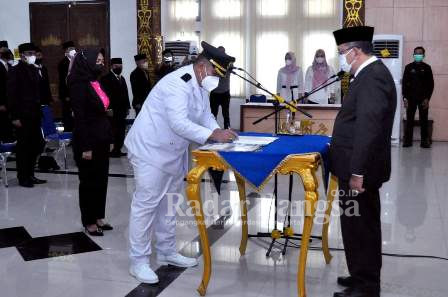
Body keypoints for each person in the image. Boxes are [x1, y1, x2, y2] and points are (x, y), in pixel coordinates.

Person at [125, 41, 237, 284]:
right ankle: (138, 262)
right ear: (201, 68)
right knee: (146, 206)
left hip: (172, 152)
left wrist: (220, 132)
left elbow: (205, 115)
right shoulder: (178, 83)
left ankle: (166, 251)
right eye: (215, 73)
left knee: (168, 204)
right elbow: (178, 123)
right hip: (150, 151)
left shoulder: (199, 85)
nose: (216, 79)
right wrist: (212, 135)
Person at [329, 26, 396, 297]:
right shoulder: (368, 74)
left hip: (360, 172)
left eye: (343, 53)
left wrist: (357, 171)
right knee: (354, 224)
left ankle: (366, 286)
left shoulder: (373, 77)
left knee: (362, 227)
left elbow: (367, 129)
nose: (342, 58)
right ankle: (359, 274)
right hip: (355, 168)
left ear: (356, 52)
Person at [68, 49, 113, 236]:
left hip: (101, 137)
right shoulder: (78, 83)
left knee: (101, 180)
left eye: (102, 61)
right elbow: (80, 118)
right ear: (88, 61)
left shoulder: (96, 81)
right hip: (88, 141)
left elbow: (103, 112)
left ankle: (98, 216)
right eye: (98, 60)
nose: (101, 63)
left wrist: (109, 138)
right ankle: (88, 221)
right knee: (88, 182)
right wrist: (86, 147)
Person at [7, 43, 46, 188]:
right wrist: (15, 117)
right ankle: (22, 177)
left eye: (34, 53)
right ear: (22, 54)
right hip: (22, 115)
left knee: (36, 145)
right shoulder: (15, 70)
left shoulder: (34, 69)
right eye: (29, 53)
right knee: (24, 148)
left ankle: (31, 174)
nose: (32, 56)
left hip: (35, 114)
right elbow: (11, 95)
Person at [402, 46, 434, 148]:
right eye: (416, 53)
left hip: (423, 99)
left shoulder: (427, 68)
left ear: (423, 55)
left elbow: (431, 84)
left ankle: (424, 141)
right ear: (413, 55)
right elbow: (404, 84)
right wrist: (405, 98)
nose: (418, 55)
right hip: (410, 98)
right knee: (409, 120)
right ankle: (407, 141)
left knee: (423, 120)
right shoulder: (408, 67)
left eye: (420, 53)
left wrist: (427, 98)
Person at [101, 57, 130, 157]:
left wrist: (128, 107)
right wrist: (108, 108)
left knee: (121, 131)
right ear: (112, 66)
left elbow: (126, 94)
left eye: (120, 66)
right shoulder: (106, 78)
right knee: (113, 131)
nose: (119, 68)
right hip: (112, 110)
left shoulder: (122, 78)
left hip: (122, 110)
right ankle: (112, 150)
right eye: (117, 66)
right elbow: (105, 95)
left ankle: (118, 149)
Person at [209, 46, 231, 129]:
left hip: (225, 93)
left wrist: (215, 72)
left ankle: (227, 130)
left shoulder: (229, 62)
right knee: (213, 114)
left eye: (222, 53)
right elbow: (210, 73)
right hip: (214, 93)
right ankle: (213, 130)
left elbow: (223, 75)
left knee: (226, 114)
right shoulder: (212, 62)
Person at [58, 41, 77, 131]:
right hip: (67, 95)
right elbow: (62, 81)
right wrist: (65, 95)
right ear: (66, 51)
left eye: (73, 48)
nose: (73, 50)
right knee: (68, 115)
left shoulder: (77, 61)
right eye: (70, 49)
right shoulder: (63, 63)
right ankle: (68, 134)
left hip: (76, 93)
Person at [0, 41, 14, 143]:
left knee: (9, 126)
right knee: (3, 126)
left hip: (10, 102)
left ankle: (9, 148)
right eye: (3, 50)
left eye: (7, 50)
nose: (6, 52)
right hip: (2, 103)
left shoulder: (10, 66)